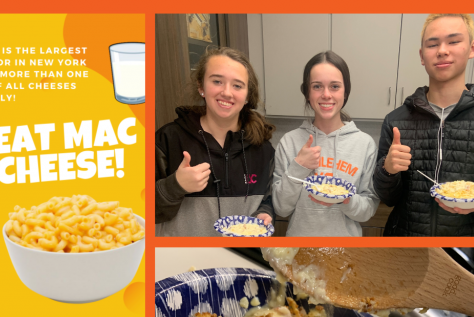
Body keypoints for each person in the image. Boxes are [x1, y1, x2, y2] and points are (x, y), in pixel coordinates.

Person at [372, 14, 474, 237]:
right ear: (422, 56)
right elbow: (387, 198)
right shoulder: (396, 120)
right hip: (404, 240)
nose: (442, 50)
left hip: (463, 247)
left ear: (472, 48)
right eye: (433, 44)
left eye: (453, 41)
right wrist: (388, 169)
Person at [155, 47, 275, 237]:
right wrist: (175, 186)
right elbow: (139, 211)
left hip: (240, 258)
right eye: (217, 81)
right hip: (182, 260)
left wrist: (265, 213)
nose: (227, 92)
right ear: (201, 87)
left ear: (247, 96)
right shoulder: (167, 139)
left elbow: (267, 200)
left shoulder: (263, 148)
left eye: (237, 85)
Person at [271, 51, 380, 237]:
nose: (326, 94)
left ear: (345, 92)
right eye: (317, 86)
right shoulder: (289, 142)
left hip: (346, 254)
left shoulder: (364, 144)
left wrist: (346, 199)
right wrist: (299, 167)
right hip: (299, 251)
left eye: (335, 86)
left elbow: (367, 210)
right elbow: (281, 209)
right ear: (307, 92)